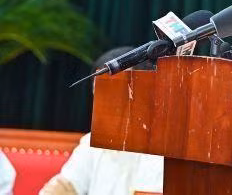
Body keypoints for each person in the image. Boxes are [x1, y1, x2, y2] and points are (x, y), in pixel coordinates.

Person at [39, 48, 164, 195]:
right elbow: (65, 187)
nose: (109, 103)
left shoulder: (162, 147)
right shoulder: (91, 142)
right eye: (101, 94)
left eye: (117, 92)